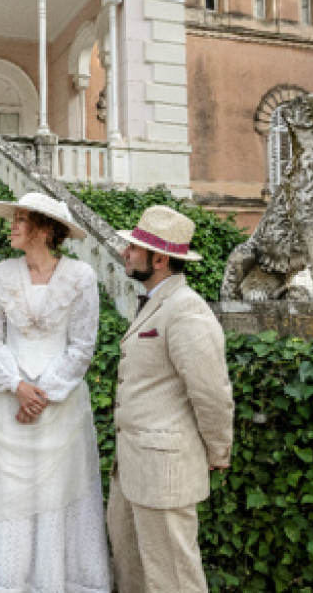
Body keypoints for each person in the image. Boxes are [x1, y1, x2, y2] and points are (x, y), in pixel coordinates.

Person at [0, 192, 111, 593]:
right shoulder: (1, 274)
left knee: (56, 489)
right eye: (14, 218)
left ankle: (55, 579)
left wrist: (44, 394)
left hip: (61, 405)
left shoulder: (80, 277)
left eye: (21, 219)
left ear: (43, 228)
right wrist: (18, 387)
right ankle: (7, 579)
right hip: (8, 401)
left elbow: (81, 346)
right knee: (6, 488)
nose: (13, 226)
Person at [108, 205, 235, 593]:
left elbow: (211, 392)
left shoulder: (186, 310)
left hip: (164, 471)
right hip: (133, 467)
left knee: (174, 579)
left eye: (134, 248)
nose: (125, 253)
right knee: (133, 574)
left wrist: (218, 452)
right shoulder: (154, 303)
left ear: (159, 259)